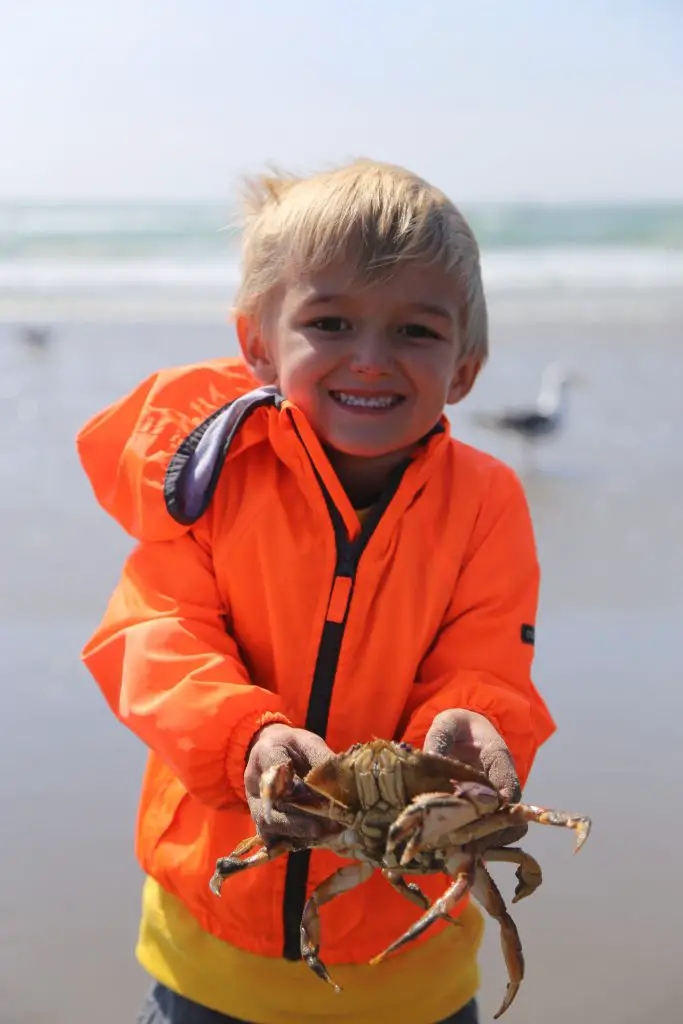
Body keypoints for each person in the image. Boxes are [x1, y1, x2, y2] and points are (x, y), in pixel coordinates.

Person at [77, 158, 556, 1024]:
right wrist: (245, 739)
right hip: (214, 957)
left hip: (413, 969)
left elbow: (487, 663)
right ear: (259, 342)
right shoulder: (208, 481)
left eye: (416, 331)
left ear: (467, 366)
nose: (369, 360)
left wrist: (481, 728)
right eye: (328, 322)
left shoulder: (485, 502)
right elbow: (154, 635)